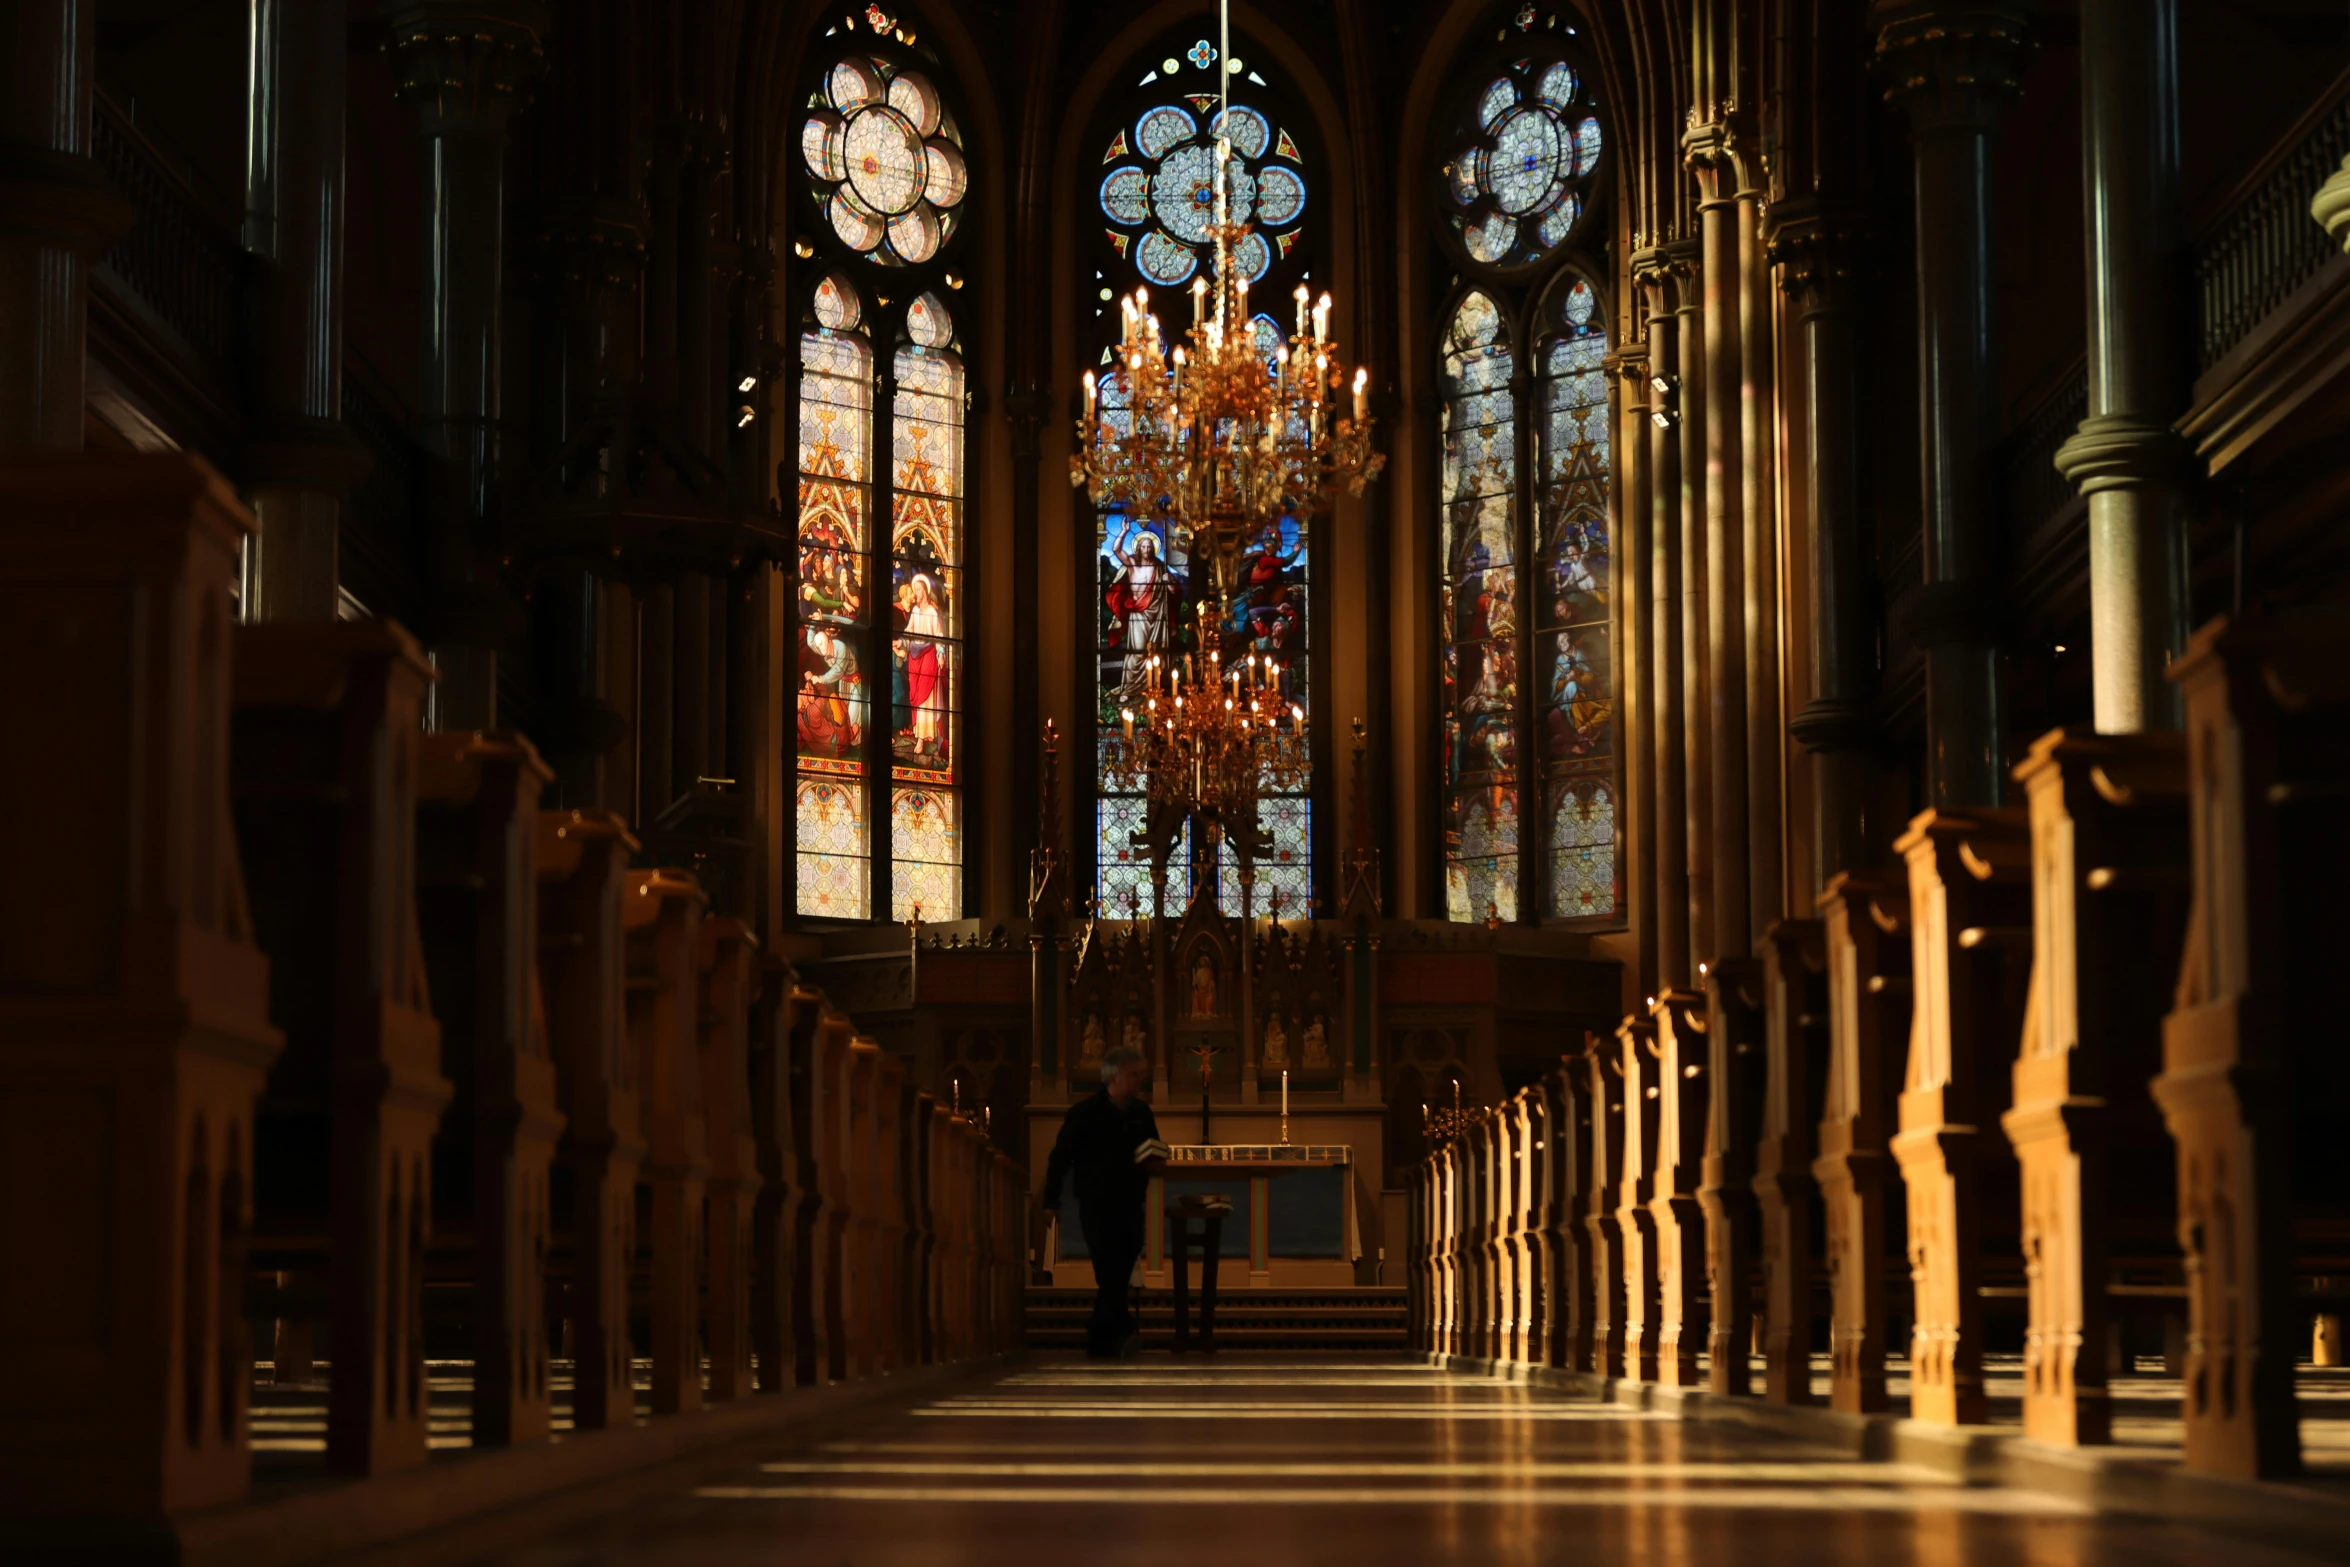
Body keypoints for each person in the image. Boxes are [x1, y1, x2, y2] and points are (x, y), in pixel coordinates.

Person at [1042, 1043, 1166, 1357]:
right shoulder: (1084, 1114)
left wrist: (1154, 1160)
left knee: (1121, 1270)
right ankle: (1117, 1333)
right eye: (1134, 1074)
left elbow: (1154, 1147)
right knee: (1108, 1270)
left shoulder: (1140, 1113)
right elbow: (1060, 1159)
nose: (1139, 1081)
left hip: (1130, 1203)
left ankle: (1101, 1334)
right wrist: (1051, 1200)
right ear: (1114, 1076)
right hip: (1097, 1205)